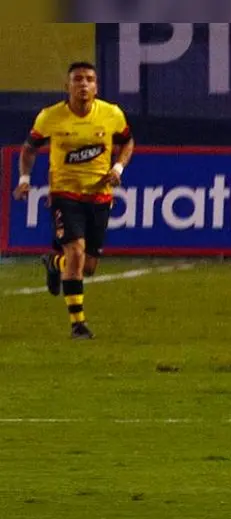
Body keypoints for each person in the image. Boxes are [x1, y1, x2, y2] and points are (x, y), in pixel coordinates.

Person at [13, 61, 135, 340]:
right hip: (65, 194)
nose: (83, 84)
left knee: (87, 267)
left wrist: (118, 168)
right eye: (77, 79)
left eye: (89, 79)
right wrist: (24, 179)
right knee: (76, 254)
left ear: (96, 86)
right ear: (67, 86)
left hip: (99, 196)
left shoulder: (111, 114)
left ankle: (53, 263)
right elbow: (30, 148)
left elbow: (128, 141)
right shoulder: (50, 117)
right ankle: (78, 325)